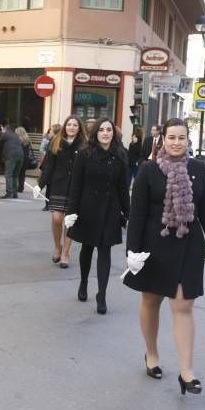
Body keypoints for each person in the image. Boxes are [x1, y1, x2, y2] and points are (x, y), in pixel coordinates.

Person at [124, 118, 205, 396]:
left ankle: (186, 372)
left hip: (189, 245)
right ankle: (152, 354)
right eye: (171, 137)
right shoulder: (148, 170)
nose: (176, 143)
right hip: (154, 246)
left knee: (183, 306)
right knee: (151, 300)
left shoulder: (198, 169)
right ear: (163, 140)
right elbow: (138, 214)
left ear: (188, 140)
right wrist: (131, 251)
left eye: (181, 138)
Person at [67, 117, 129, 314]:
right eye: (101, 129)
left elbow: (123, 188)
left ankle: (101, 294)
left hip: (110, 209)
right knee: (87, 248)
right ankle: (84, 282)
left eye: (108, 129)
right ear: (96, 133)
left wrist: (128, 214)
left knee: (105, 251)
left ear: (113, 133)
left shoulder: (120, 155)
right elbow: (75, 186)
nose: (105, 133)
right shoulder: (84, 154)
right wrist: (71, 211)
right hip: (88, 208)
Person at [38, 116, 85, 268]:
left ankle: (66, 252)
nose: (71, 127)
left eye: (75, 125)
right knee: (57, 218)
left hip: (76, 188)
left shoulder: (85, 145)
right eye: (69, 124)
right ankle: (57, 246)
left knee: (70, 220)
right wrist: (40, 184)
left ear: (79, 128)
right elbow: (48, 166)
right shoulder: (56, 142)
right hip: (58, 185)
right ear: (65, 126)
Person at [0, 121, 24, 199]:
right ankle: (15, 193)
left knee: (8, 174)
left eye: (2, 128)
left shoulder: (5, 134)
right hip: (21, 155)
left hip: (11, 156)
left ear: (4, 128)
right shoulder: (15, 135)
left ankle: (9, 192)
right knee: (15, 175)